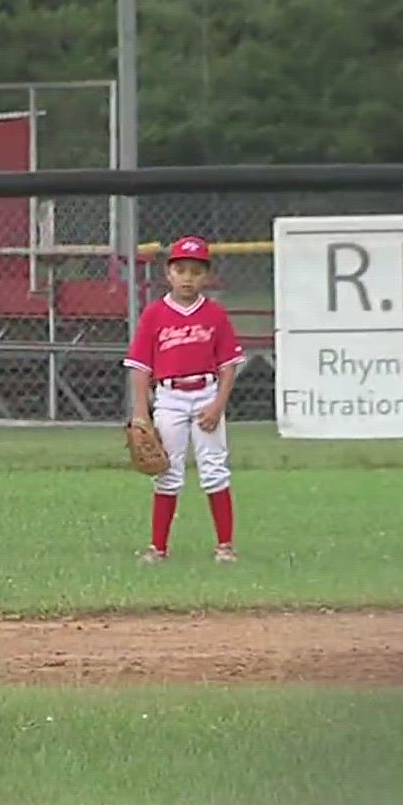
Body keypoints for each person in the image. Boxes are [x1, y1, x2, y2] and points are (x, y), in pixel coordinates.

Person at [123, 235, 244, 563]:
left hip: (206, 393)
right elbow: (139, 367)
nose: (188, 277)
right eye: (181, 269)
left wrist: (218, 405)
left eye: (195, 270)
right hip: (169, 398)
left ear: (206, 275)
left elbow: (228, 366)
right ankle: (158, 548)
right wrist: (140, 414)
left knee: (215, 469)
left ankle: (225, 547)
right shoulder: (154, 314)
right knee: (167, 471)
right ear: (168, 273)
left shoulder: (215, 315)